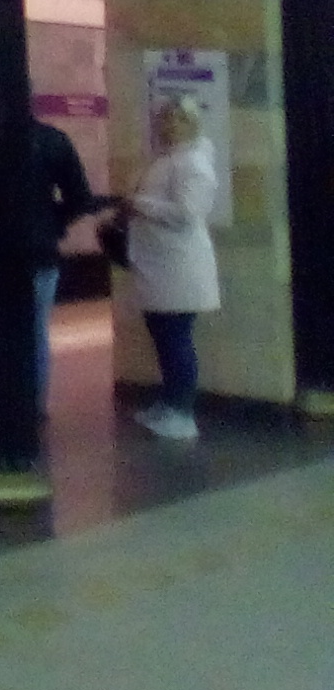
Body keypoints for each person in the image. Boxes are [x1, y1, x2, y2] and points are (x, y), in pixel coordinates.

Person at [117, 101, 220, 441]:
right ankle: (170, 402)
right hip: (158, 265)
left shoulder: (194, 163)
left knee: (176, 340)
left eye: (175, 119)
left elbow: (187, 213)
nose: (166, 125)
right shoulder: (167, 159)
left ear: (191, 123)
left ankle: (182, 413)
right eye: (162, 119)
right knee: (163, 338)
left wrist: (139, 204)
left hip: (179, 267)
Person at [24, 114, 102, 418]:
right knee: (36, 333)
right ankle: (33, 407)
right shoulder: (52, 140)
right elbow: (80, 199)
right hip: (40, 251)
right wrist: (53, 221)